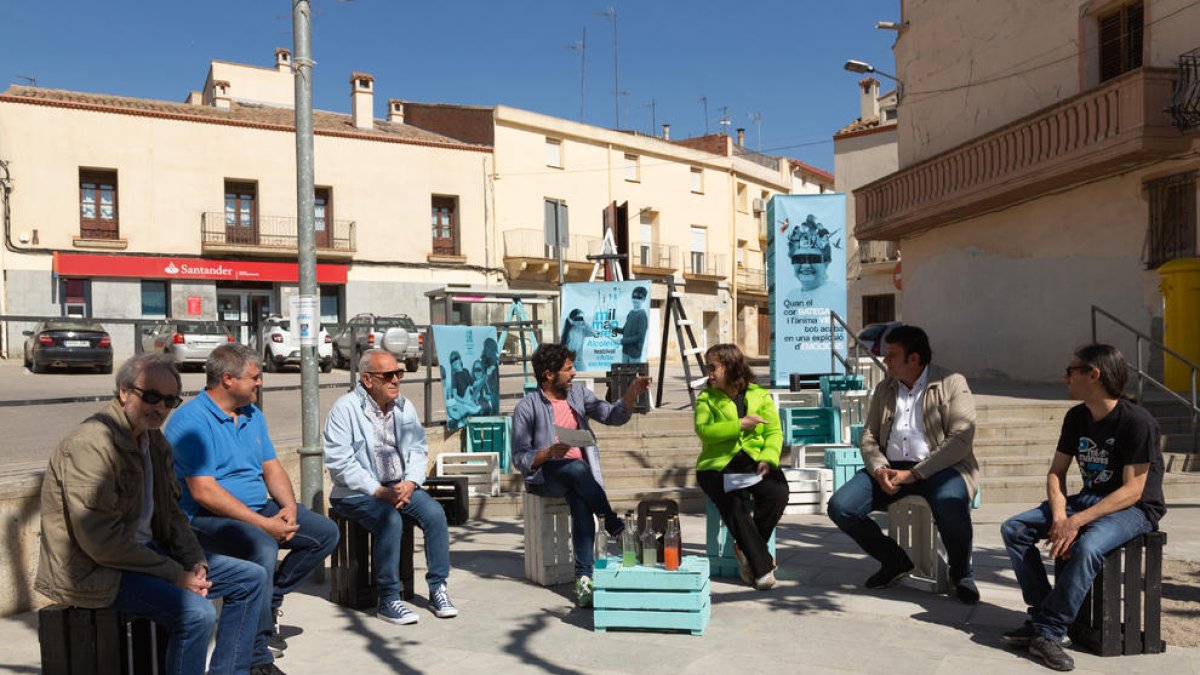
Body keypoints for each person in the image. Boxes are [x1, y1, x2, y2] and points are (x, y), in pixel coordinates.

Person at [36, 353, 272, 675]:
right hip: (97, 571)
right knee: (197, 614)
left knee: (250, 578)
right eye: (150, 396)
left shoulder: (154, 441)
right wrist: (175, 574)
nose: (160, 408)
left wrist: (195, 562)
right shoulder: (91, 445)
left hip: (147, 556)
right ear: (124, 392)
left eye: (169, 401)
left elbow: (173, 515)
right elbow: (101, 542)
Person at [166, 343, 339, 662]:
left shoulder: (252, 414)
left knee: (324, 533)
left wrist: (288, 507)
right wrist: (264, 525)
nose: (260, 382)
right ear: (228, 379)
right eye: (254, 377)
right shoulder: (191, 421)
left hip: (258, 509)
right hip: (204, 518)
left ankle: (268, 600)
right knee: (262, 545)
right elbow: (204, 492)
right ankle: (258, 651)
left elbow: (271, 467)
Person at [999, 344, 1166, 672]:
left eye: (1071, 371)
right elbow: (1056, 472)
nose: (1065, 377)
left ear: (1094, 375)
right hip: (1089, 499)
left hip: (1135, 509)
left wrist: (1076, 523)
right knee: (1014, 529)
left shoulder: (1137, 421)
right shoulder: (1076, 417)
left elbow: (1133, 490)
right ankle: (1043, 615)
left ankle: (1049, 632)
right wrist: (1061, 515)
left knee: (1087, 547)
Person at [826, 324, 981, 604]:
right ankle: (895, 561)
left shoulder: (951, 382)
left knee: (950, 504)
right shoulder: (885, 388)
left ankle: (962, 575)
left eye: (892, 355)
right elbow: (869, 436)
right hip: (890, 467)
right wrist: (879, 469)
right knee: (841, 506)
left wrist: (915, 474)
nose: (885, 360)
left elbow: (962, 437)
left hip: (939, 467)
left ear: (914, 358)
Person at [324, 349, 458, 625]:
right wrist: (378, 490)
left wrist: (410, 482)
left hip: (399, 485)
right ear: (367, 379)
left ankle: (438, 588)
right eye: (388, 375)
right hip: (356, 492)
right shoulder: (344, 409)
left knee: (434, 514)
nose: (396, 380)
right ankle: (388, 599)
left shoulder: (404, 406)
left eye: (399, 373)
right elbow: (340, 463)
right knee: (390, 520)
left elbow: (418, 449)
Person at [511, 342, 651, 607]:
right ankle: (615, 526)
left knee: (580, 497)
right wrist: (547, 452)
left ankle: (584, 578)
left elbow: (612, 416)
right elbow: (519, 458)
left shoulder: (578, 394)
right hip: (545, 476)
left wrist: (631, 393)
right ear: (549, 374)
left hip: (579, 477)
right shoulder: (527, 407)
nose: (574, 373)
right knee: (576, 469)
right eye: (568, 369)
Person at [694, 343, 788, 590]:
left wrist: (767, 458)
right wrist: (740, 424)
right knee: (733, 503)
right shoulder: (706, 398)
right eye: (707, 368)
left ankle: (746, 549)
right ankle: (762, 568)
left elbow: (774, 432)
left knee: (777, 492)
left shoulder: (759, 395)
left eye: (713, 367)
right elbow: (704, 431)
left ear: (731, 366)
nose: (709, 373)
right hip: (716, 465)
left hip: (753, 460)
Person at [612, 285, 649, 363]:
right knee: (624, 371)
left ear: (644, 299)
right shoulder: (631, 313)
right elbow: (624, 331)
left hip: (634, 353)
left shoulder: (642, 315)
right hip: (625, 351)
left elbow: (640, 337)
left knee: (632, 371)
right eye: (634, 297)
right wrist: (613, 328)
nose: (635, 300)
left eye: (639, 298)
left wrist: (622, 341)